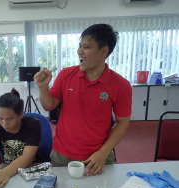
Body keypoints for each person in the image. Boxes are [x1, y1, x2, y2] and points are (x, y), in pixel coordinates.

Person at [34, 24, 132, 176]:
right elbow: (49, 105)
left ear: (104, 51)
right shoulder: (66, 75)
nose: (79, 51)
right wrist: (42, 87)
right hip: (62, 154)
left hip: (98, 157)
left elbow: (123, 122)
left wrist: (103, 153)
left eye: (86, 47)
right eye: (79, 46)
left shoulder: (121, 85)